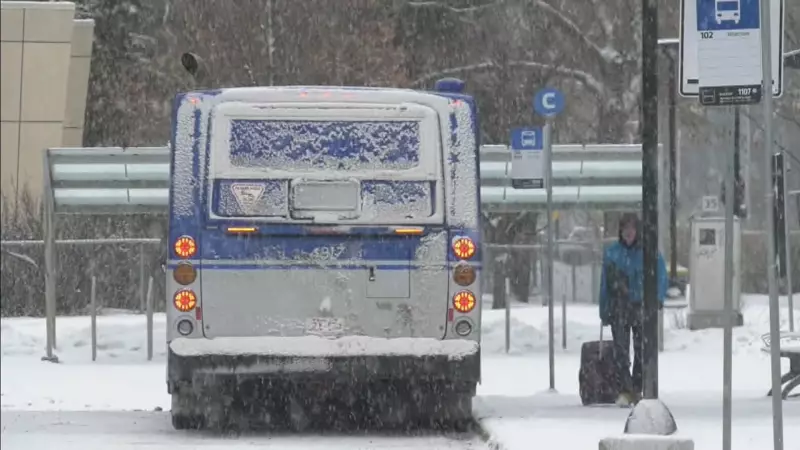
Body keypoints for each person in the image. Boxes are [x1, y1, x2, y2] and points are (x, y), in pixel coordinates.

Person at [598, 213, 668, 406]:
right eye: (625, 228)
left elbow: (661, 275)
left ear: (638, 231)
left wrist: (658, 298)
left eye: (632, 228)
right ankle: (625, 388)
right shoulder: (612, 253)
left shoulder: (648, 252)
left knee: (641, 350)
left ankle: (636, 388)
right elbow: (605, 283)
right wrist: (604, 309)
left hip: (640, 307)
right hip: (618, 307)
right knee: (621, 351)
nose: (628, 232)